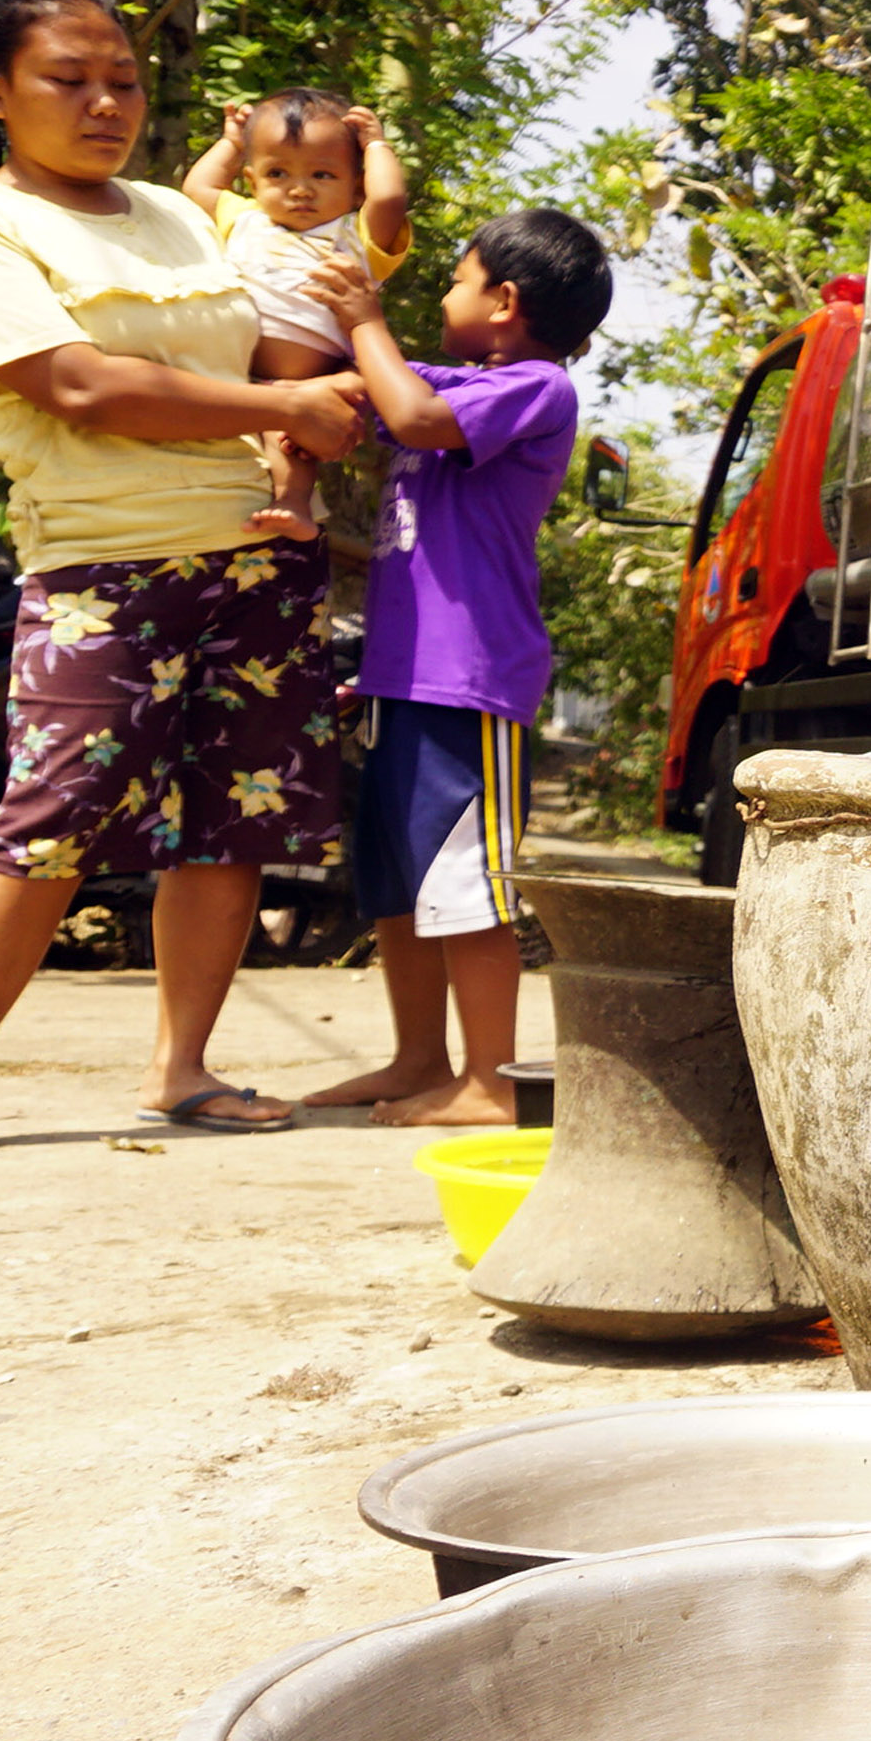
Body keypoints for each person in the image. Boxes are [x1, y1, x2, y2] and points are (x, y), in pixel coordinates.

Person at [0, 0, 368, 1170]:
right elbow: (74, 383)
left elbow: (278, 330)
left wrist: (320, 410)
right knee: (46, 820)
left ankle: (182, 1066)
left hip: (255, 559)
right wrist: (281, 400)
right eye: (71, 80)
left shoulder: (182, 214)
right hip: (102, 563)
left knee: (234, 821)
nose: (107, 104)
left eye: (126, 82)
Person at [293, 210, 608, 1128]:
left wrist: (362, 315)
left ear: (503, 302)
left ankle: (493, 1079)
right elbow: (378, 389)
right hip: (403, 677)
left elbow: (414, 414)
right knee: (396, 879)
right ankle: (417, 1058)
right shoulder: (461, 380)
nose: (442, 296)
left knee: (468, 887)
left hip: (468, 682)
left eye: (457, 278)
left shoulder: (536, 388)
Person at [179, 89, 411, 542]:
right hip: (227, 373)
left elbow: (389, 200)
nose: (299, 189)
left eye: (323, 175)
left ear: (356, 185)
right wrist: (229, 141)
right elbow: (197, 190)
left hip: (311, 384)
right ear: (251, 181)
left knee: (293, 443)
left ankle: (292, 503)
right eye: (277, 173)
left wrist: (377, 146)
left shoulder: (357, 237)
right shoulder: (244, 220)